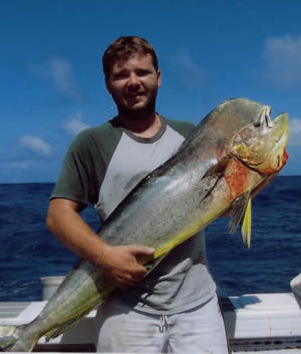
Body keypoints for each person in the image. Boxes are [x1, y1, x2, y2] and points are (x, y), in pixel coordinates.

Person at [46, 36, 228, 353]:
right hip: (124, 311)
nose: (133, 82)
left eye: (142, 72)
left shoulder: (192, 136)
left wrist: (264, 173)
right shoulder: (91, 143)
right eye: (121, 75)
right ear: (107, 84)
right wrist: (105, 257)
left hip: (196, 306)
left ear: (158, 77)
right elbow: (58, 216)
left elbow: (220, 205)